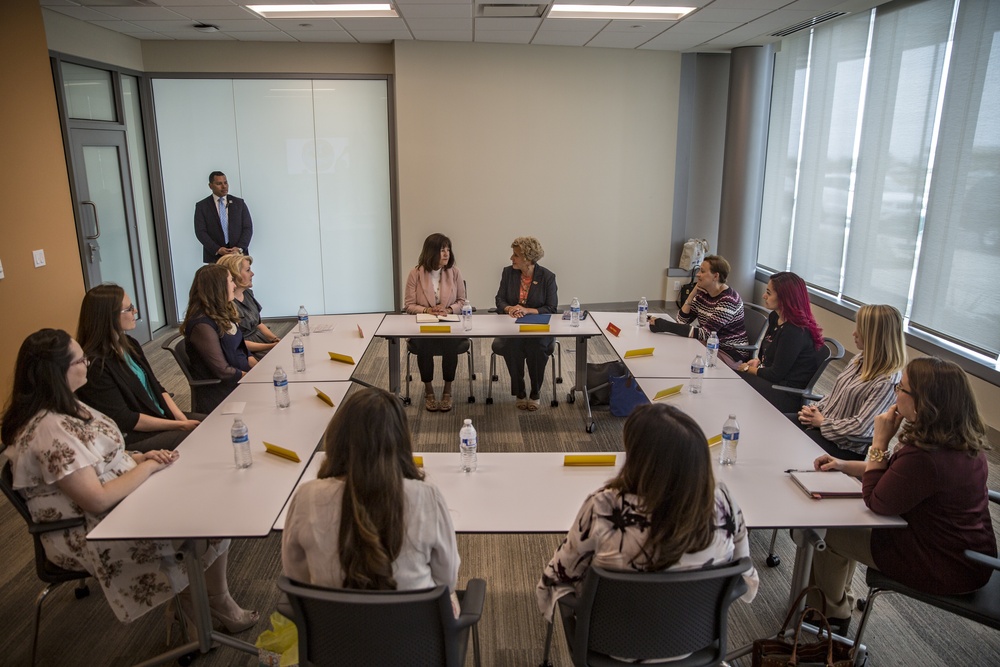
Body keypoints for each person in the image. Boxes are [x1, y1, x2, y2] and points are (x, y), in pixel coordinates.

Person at [1, 329, 258, 631]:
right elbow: (95, 499)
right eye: (79, 360)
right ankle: (205, 603)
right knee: (205, 516)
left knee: (208, 502)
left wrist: (136, 458)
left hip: (115, 505)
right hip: (91, 529)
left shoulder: (68, 406)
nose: (87, 363)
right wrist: (145, 469)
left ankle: (205, 601)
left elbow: (101, 455)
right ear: (57, 372)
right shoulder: (49, 431)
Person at [536, 403, 758, 649]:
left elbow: (559, 574)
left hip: (614, 647)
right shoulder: (722, 502)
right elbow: (744, 574)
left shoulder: (605, 507)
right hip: (695, 643)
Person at [808, 357, 996, 635]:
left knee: (831, 534)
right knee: (848, 524)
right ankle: (836, 603)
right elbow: (896, 473)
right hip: (969, 553)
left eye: (902, 388)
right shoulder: (959, 442)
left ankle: (830, 616)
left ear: (924, 402)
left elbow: (877, 501)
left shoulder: (926, 457)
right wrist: (843, 464)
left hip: (940, 563)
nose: (896, 393)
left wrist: (880, 441)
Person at [281, 387, 460, 610]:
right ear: (401, 440)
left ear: (337, 437)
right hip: (414, 638)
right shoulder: (427, 497)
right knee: (450, 598)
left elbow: (297, 579)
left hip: (331, 637)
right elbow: (447, 579)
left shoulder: (306, 497)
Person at [76, 284, 204, 452]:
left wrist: (179, 418)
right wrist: (178, 425)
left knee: (215, 422)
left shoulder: (130, 345)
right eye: (129, 309)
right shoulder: (95, 366)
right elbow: (125, 419)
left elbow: (156, 386)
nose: (135, 311)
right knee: (199, 437)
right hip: (133, 436)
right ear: (109, 317)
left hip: (159, 416)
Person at [796, 304, 906, 460]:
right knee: (778, 428)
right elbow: (837, 396)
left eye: (860, 330)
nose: (854, 333)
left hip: (842, 447)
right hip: (823, 426)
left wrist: (822, 423)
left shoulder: (888, 380)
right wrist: (813, 410)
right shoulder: (860, 359)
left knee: (788, 444)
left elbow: (862, 427)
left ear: (874, 336)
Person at [738, 271, 822, 413]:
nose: (764, 296)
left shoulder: (793, 331)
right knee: (731, 381)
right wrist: (758, 362)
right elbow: (769, 354)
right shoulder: (774, 317)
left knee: (734, 385)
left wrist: (748, 369)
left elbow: (776, 374)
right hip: (772, 382)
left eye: (769, 293)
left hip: (785, 393)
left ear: (784, 298)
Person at [403, 233, 468, 412]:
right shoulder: (415, 273)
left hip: (449, 323)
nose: (446, 253)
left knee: (450, 344)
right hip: (424, 325)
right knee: (425, 344)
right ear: (431, 252)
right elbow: (409, 305)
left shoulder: (454, 272)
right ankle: (429, 390)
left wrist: (447, 310)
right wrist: (427, 310)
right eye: (442, 250)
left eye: (448, 249)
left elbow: (462, 301)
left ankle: (447, 390)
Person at [494, 236, 558, 411]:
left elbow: (551, 308)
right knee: (511, 347)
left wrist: (528, 310)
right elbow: (499, 300)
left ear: (528, 259)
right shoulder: (508, 273)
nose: (511, 258)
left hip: (537, 328)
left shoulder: (547, 277)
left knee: (537, 349)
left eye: (515, 255)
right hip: (512, 326)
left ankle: (535, 391)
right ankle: (520, 392)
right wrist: (509, 309)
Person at [649, 255, 750, 362]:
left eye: (702, 271)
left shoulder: (728, 300)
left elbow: (705, 334)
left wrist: (664, 325)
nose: (698, 274)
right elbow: (681, 322)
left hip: (730, 352)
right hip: (710, 345)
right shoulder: (703, 293)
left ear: (715, 276)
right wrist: (691, 295)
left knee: (682, 359)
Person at [182, 264, 254, 413]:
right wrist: (252, 379)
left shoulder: (223, 313)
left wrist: (259, 370)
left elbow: (243, 351)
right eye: (230, 281)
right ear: (218, 287)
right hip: (223, 391)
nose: (234, 285)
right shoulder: (202, 325)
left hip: (241, 380)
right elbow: (223, 371)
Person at [217, 254, 280, 359]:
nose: (252, 274)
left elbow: (258, 324)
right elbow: (237, 343)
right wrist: (271, 346)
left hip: (262, 343)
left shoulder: (248, 294)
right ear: (235, 274)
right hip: (246, 352)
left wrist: (275, 339)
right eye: (248, 270)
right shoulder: (225, 305)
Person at [194, 171, 253, 264]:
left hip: (238, 255)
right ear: (210, 186)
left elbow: (247, 228)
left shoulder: (239, 203)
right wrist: (217, 249)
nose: (224, 186)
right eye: (219, 183)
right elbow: (200, 232)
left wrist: (239, 248)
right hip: (215, 257)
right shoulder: (202, 206)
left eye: (225, 183)